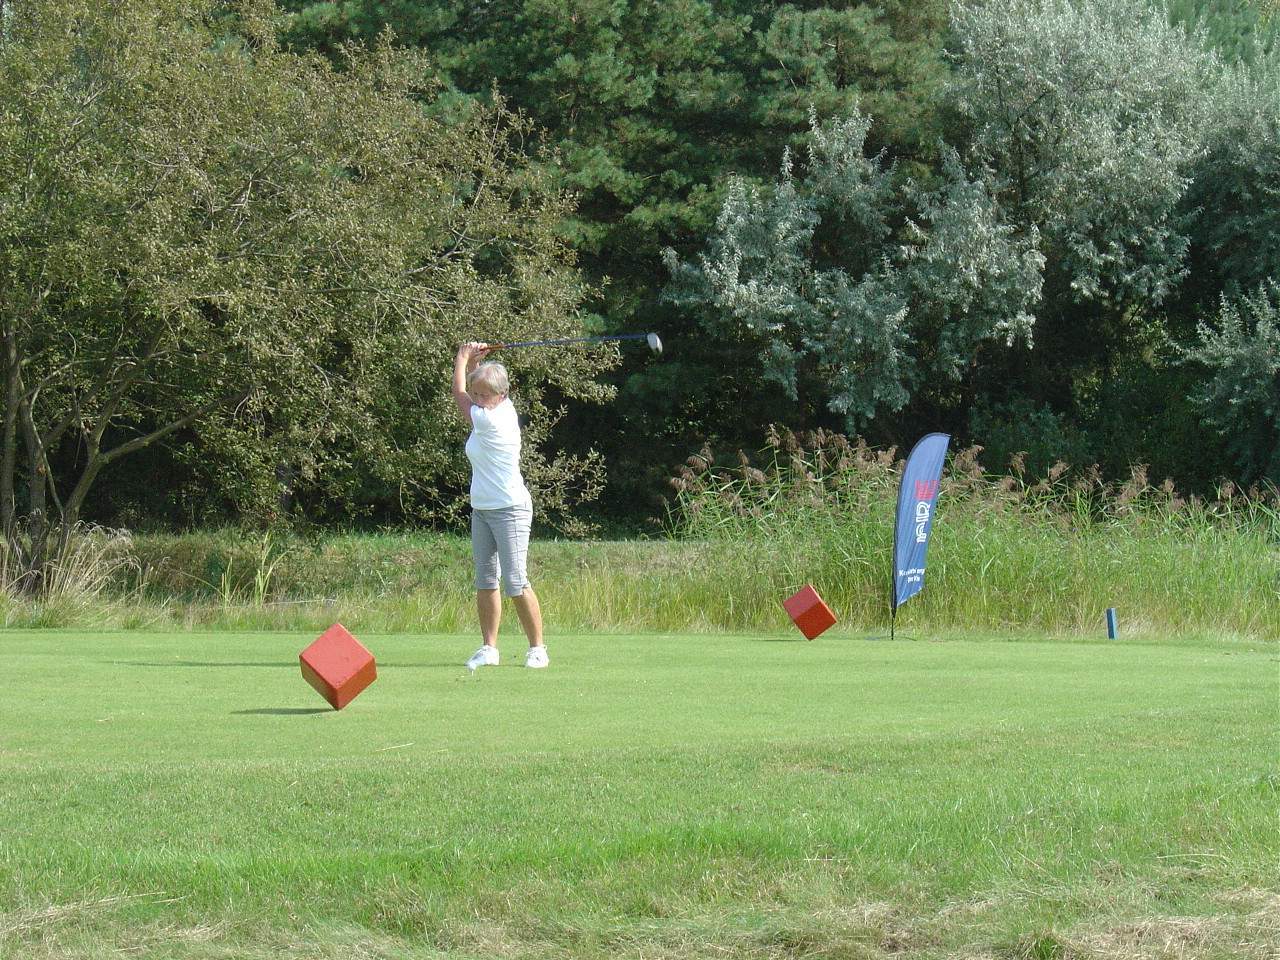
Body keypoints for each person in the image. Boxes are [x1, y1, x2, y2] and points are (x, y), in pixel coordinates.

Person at [452, 342, 548, 669]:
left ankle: (537, 649)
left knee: (516, 581)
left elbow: (459, 395)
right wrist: (474, 364)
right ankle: (489, 648)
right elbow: (469, 390)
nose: (479, 400)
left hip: (510, 509)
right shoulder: (493, 410)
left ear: (502, 394)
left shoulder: (493, 420)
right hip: (482, 510)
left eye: (485, 395)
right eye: (477, 395)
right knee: (485, 580)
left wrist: (463, 358)